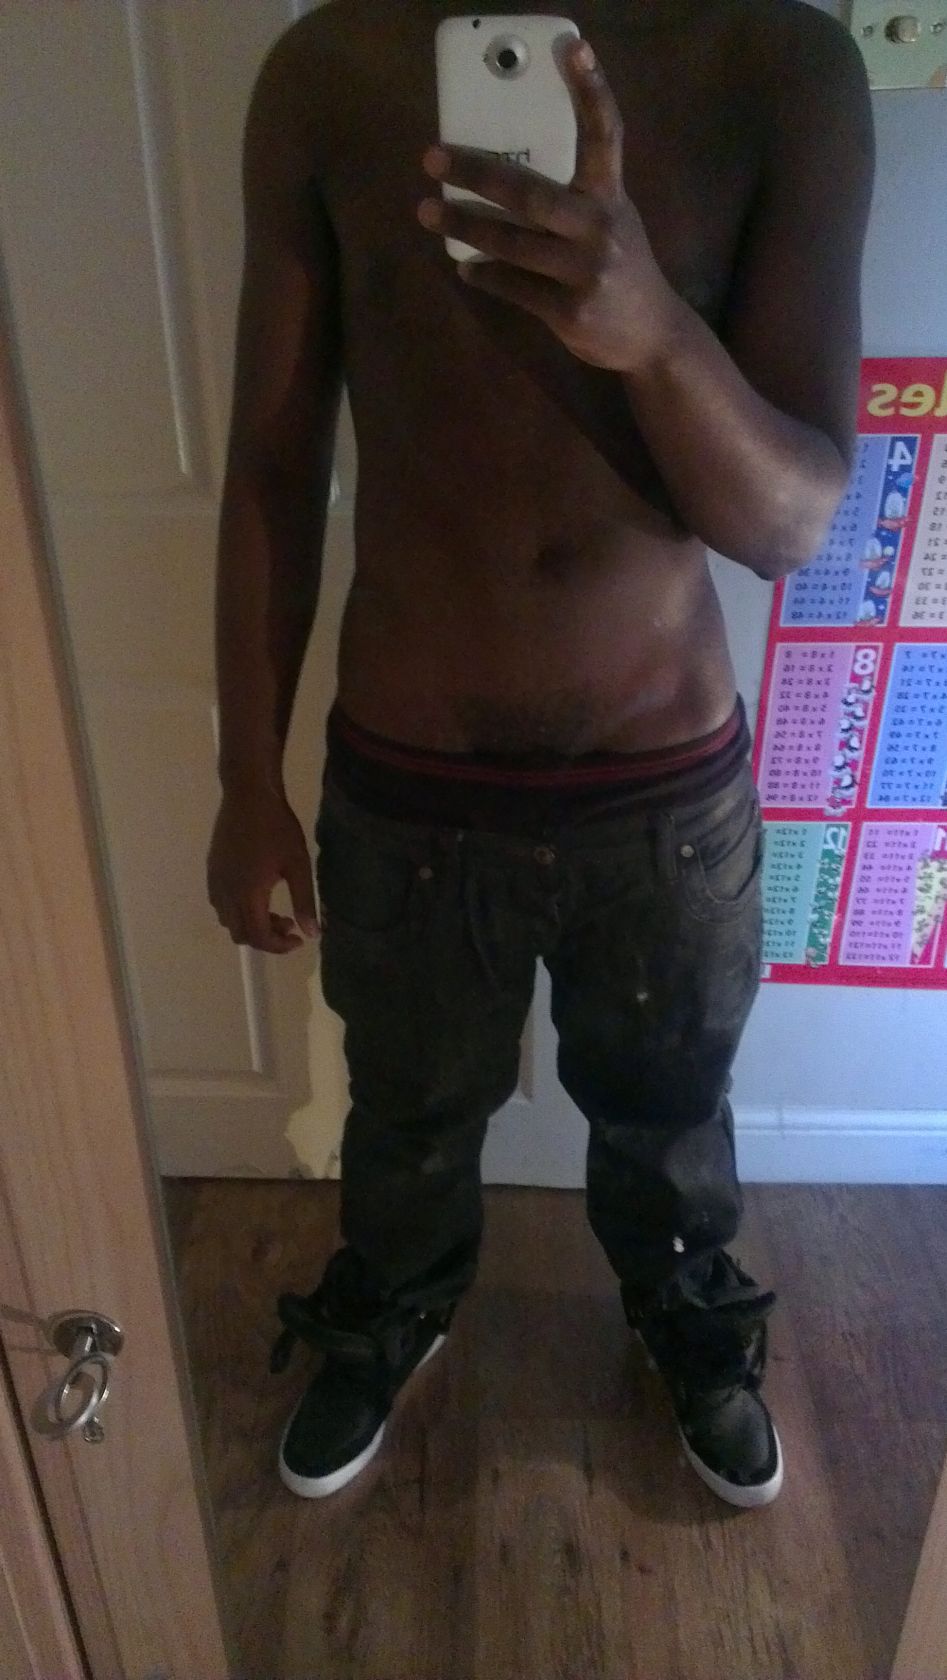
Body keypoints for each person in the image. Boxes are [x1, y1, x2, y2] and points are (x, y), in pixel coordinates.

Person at [206, 0, 874, 1508]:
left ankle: (683, 1309)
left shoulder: (779, 63)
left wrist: (654, 330)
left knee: (671, 1116)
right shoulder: (330, 70)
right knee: (407, 1114)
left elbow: (787, 524)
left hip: (662, 790)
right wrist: (247, 780)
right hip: (406, 778)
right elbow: (270, 463)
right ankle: (396, 1300)